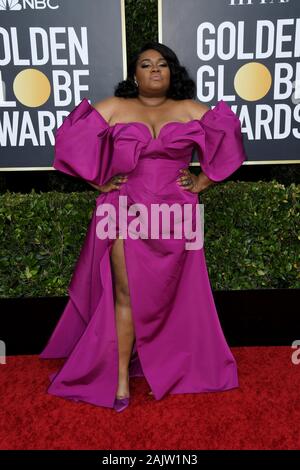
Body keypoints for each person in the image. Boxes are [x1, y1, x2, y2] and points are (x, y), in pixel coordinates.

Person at [40, 41, 247, 412]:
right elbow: (70, 140)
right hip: (124, 209)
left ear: (172, 72)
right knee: (126, 293)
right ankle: (120, 378)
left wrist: (202, 181)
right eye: (146, 64)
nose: (155, 70)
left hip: (176, 215)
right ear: (133, 74)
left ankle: (165, 364)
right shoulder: (116, 107)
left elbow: (229, 139)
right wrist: (98, 181)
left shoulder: (188, 109)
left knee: (172, 294)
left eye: (163, 64)